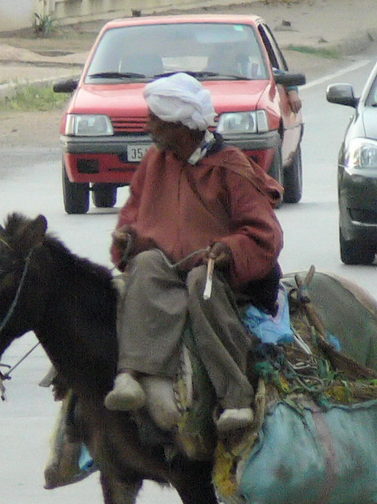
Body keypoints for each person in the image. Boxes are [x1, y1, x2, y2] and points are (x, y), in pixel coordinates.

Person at [105, 73, 283, 436]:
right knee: (144, 264)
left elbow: (265, 235)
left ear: (182, 126)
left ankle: (236, 399)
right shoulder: (155, 163)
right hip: (168, 271)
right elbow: (133, 215)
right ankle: (131, 375)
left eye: (156, 120)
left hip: (222, 277)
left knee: (202, 280)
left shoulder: (230, 167)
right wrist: (127, 240)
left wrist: (230, 249)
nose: (148, 126)